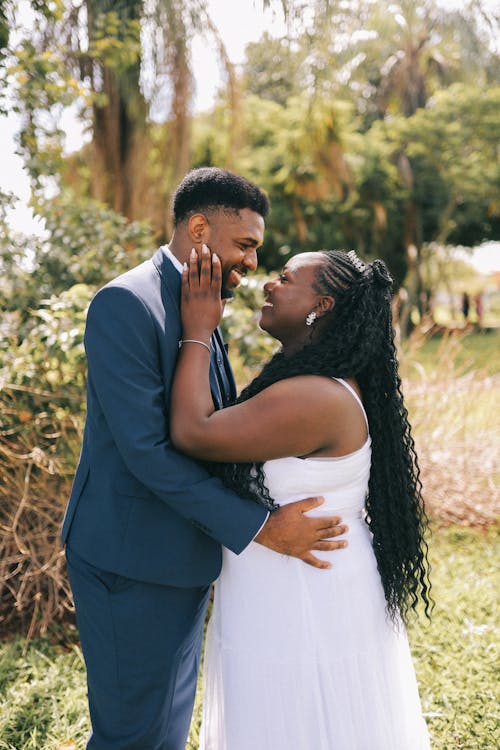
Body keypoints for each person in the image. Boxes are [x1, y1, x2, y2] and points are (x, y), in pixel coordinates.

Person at [60, 167, 348, 750]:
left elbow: (214, 429)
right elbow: (146, 451)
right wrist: (262, 528)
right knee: (130, 736)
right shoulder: (126, 303)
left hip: (181, 556)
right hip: (130, 558)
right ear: (198, 228)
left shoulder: (202, 302)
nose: (250, 262)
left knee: (164, 729)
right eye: (245, 244)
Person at [170, 246, 432, 750]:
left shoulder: (315, 396)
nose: (270, 283)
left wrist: (198, 328)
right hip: (293, 581)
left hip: (304, 595)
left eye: (286, 278)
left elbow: (191, 431)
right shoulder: (313, 382)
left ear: (324, 305)